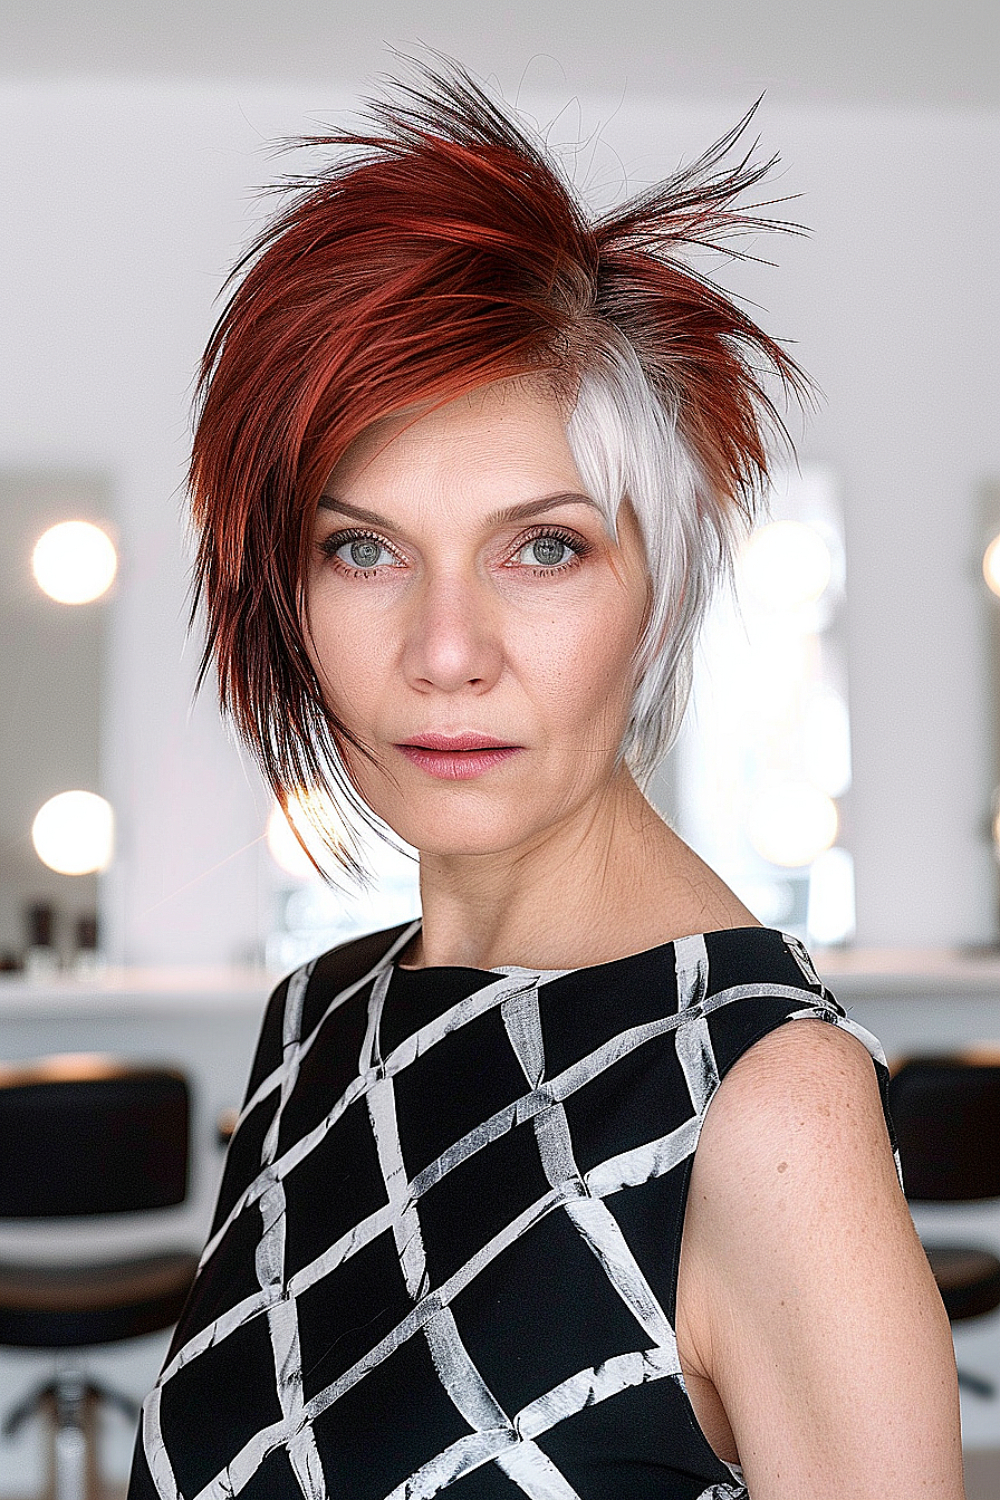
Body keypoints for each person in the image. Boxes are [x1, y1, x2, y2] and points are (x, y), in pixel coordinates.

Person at [128, 62, 964, 1500]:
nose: (447, 653)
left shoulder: (765, 1106)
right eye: (364, 549)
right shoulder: (318, 1027)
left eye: (545, 547)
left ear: (660, 585)